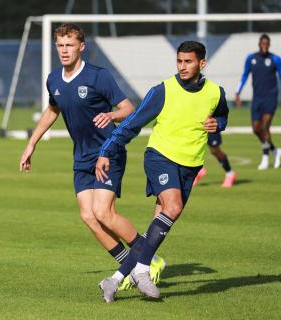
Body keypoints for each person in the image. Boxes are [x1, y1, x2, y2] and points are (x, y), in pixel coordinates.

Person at [19, 23, 165, 288]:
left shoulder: (99, 77)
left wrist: (111, 114)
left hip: (108, 152)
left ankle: (149, 260)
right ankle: (129, 267)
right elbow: (53, 109)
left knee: (103, 212)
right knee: (88, 216)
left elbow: (129, 108)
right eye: (60, 45)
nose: (64, 50)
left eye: (69, 45)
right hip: (82, 157)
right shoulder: (53, 79)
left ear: (81, 47)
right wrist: (32, 143)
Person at [96, 41, 228, 301]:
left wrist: (218, 123)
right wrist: (106, 151)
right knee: (173, 207)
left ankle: (113, 280)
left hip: (190, 165)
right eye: (179, 61)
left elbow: (222, 115)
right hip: (160, 157)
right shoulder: (163, 90)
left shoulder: (216, 92)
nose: (182, 66)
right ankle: (143, 271)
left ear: (202, 64)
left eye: (188, 62)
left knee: (154, 232)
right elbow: (132, 124)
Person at [235, 33, 281, 170]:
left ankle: (265, 158)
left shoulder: (275, 59)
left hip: (271, 98)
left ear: (269, 45)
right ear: (259, 44)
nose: (265, 46)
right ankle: (275, 150)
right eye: (263, 44)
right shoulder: (251, 58)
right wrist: (238, 92)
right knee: (256, 129)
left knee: (265, 127)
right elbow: (244, 76)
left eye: (267, 44)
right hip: (257, 98)